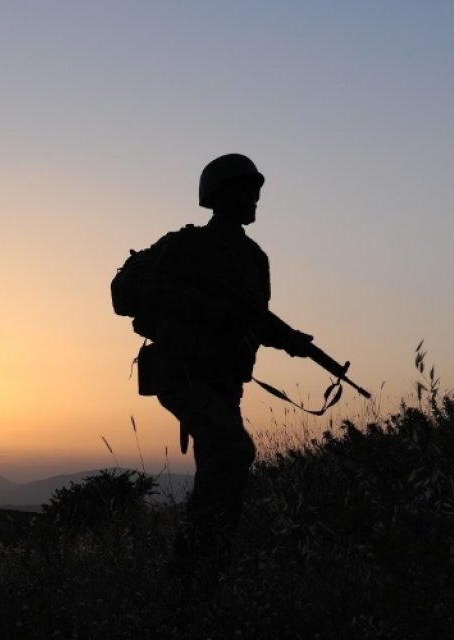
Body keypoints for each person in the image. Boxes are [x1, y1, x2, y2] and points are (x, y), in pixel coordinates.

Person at [125, 154, 317, 584]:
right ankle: (189, 571)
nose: (255, 200)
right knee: (233, 449)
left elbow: (251, 318)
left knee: (222, 460)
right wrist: (205, 308)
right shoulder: (185, 245)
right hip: (182, 374)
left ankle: (211, 567)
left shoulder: (254, 258)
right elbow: (128, 293)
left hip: (225, 380)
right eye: (247, 191)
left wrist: (290, 340)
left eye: (257, 192)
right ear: (220, 195)